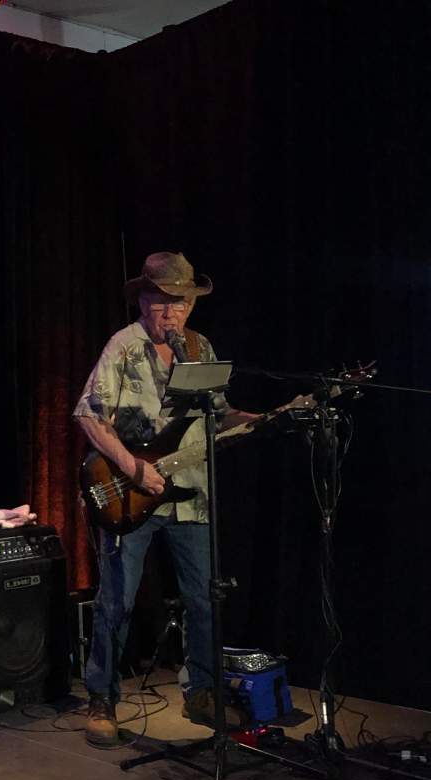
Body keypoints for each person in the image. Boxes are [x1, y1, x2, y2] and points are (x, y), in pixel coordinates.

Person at [73, 251, 260, 747]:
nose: (172, 312)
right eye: (162, 302)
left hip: (190, 494)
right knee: (118, 600)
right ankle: (102, 698)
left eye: (181, 303)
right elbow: (89, 415)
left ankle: (202, 692)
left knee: (204, 599)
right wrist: (135, 468)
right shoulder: (123, 346)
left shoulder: (200, 347)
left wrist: (258, 420)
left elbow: (217, 416)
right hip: (131, 494)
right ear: (144, 300)